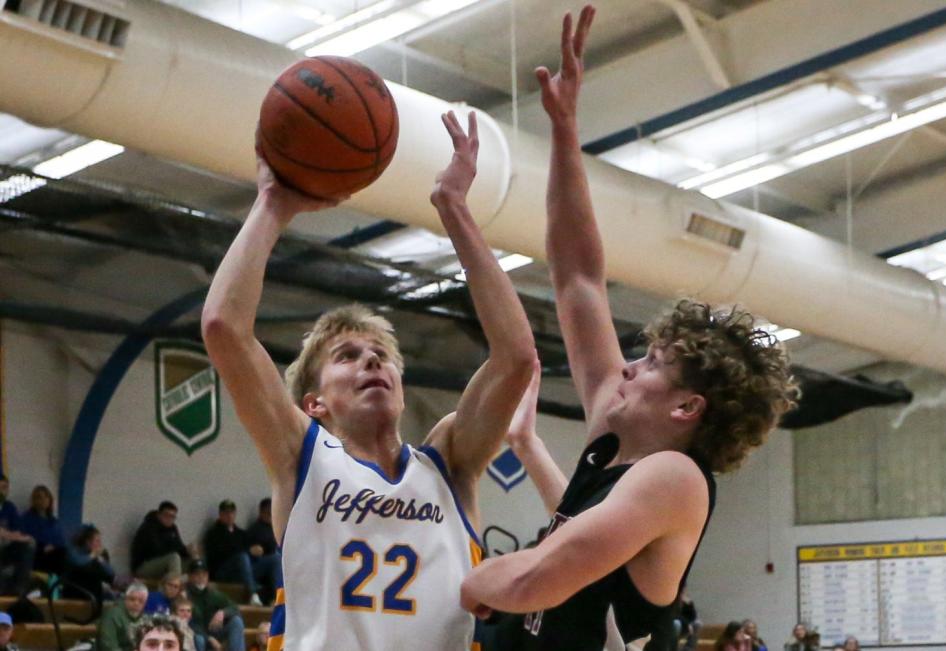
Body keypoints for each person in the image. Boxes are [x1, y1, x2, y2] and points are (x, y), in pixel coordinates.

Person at [460, 6, 798, 650]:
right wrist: (563, 132)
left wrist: (455, 583)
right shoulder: (614, 440)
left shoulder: (674, 477)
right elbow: (578, 280)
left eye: (652, 363)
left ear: (686, 406)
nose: (629, 367)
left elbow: (538, 576)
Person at [201, 110, 536, 650]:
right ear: (314, 402)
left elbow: (516, 357)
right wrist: (273, 204)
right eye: (348, 356)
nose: (372, 362)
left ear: (401, 386)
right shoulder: (300, 457)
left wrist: (455, 211)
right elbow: (223, 328)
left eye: (382, 354)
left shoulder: (450, 460)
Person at [202, 500, 276, 606]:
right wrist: (248, 552)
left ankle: (276, 597)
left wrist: (257, 550)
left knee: (274, 559)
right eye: (226, 513)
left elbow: (250, 550)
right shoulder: (213, 534)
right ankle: (253, 594)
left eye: (232, 513)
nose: (229, 516)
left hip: (244, 570)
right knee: (242, 557)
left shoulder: (241, 533)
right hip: (224, 572)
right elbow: (219, 555)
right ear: (220, 514)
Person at [185, 559, 244, 651]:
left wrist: (222, 613)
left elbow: (235, 607)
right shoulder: (184, 595)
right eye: (197, 574)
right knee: (199, 638)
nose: (201, 577)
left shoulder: (212, 593)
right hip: (195, 635)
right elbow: (188, 623)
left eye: (204, 574)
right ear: (190, 576)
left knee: (236, 621)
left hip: (213, 632)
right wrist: (209, 638)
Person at [131, 502, 195, 579]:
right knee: (174, 558)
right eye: (167, 515)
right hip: (144, 566)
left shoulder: (173, 528)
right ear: (159, 514)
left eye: (173, 517)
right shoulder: (149, 528)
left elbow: (179, 547)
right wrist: (177, 549)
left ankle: (196, 589)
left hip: (165, 563)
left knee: (195, 563)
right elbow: (157, 551)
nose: (169, 519)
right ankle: (173, 586)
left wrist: (189, 552)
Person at [19, 485, 66, 575]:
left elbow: (61, 541)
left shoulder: (53, 521)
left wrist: (54, 546)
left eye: (46, 497)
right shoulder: (27, 518)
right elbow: (24, 539)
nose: (44, 500)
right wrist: (42, 547)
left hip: (54, 552)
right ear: (35, 500)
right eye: (40, 497)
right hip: (36, 554)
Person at [64, 524, 116, 603]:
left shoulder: (99, 556)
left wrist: (102, 562)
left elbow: (111, 575)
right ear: (88, 542)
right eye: (97, 541)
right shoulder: (75, 552)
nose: (100, 544)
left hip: (94, 594)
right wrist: (93, 555)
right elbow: (78, 563)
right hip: (75, 594)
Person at [0, 476, 34, 596]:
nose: (1, 491)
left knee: (28, 543)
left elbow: (19, 532)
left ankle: (20, 589)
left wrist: (12, 536)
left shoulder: (9, 507)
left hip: (6, 548)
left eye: (4, 487)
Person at [98, 582, 148, 651]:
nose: (136, 604)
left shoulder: (145, 618)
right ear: (125, 599)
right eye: (132, 599)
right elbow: (108, 646)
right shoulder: (112, 615)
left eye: (141, 601)